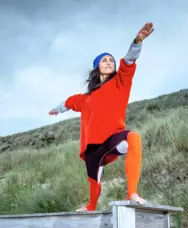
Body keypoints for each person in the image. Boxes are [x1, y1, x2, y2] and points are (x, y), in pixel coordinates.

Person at [48, 22, 154, 212]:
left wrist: (137, 41)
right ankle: (90, 207)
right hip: (92, 147)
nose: (109, 62)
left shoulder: (120, 83)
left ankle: (132, 193)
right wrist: (57, 109)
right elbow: (70, 102)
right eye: (104, 60)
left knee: (134, 138)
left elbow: (128, 62)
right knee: (93, 180)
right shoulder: (85, 98)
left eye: (111, 60)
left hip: (112, 139)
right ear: (97, 67)